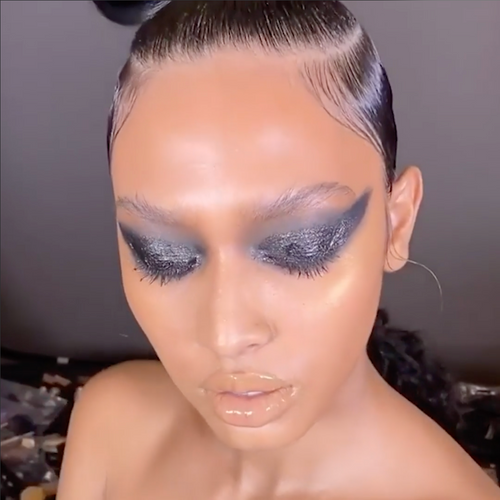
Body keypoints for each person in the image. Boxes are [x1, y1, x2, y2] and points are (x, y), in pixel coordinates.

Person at [57, 1, 500, 498]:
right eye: (162, 255)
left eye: (299, 247)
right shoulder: (112, 423)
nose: (226, 335)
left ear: (396, 223)